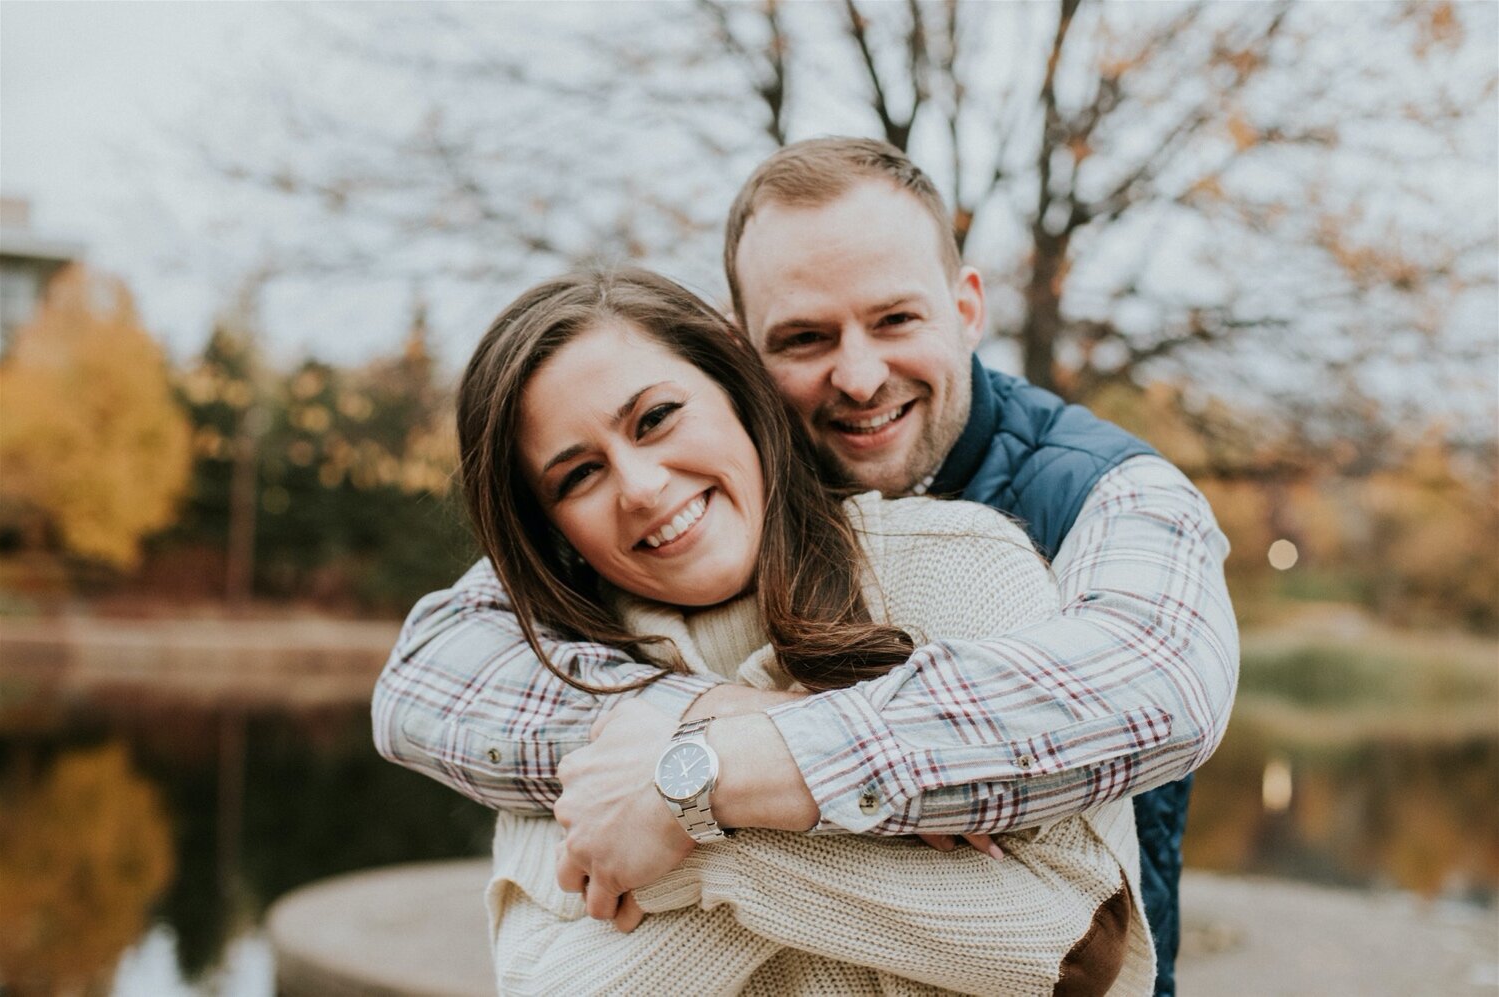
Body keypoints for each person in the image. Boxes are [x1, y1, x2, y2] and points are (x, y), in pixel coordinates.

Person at [373, 137, 1238, 996]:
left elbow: (1162, 686)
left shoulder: (1102, 491)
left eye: (896, 319)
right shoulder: (684, 502)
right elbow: (427, 681)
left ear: (968, 307)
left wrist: (728, 762)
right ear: (741, 347)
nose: (859, 377)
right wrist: (706, 729)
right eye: (804, 338)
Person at [464, 266, 1152, 994]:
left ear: (735, 389)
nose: (639, 486)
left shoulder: (962, 563)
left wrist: (689, 821)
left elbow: (1068, 947)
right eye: (578, 475)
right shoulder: (564, 672)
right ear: (553, 525)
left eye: (657, 417)